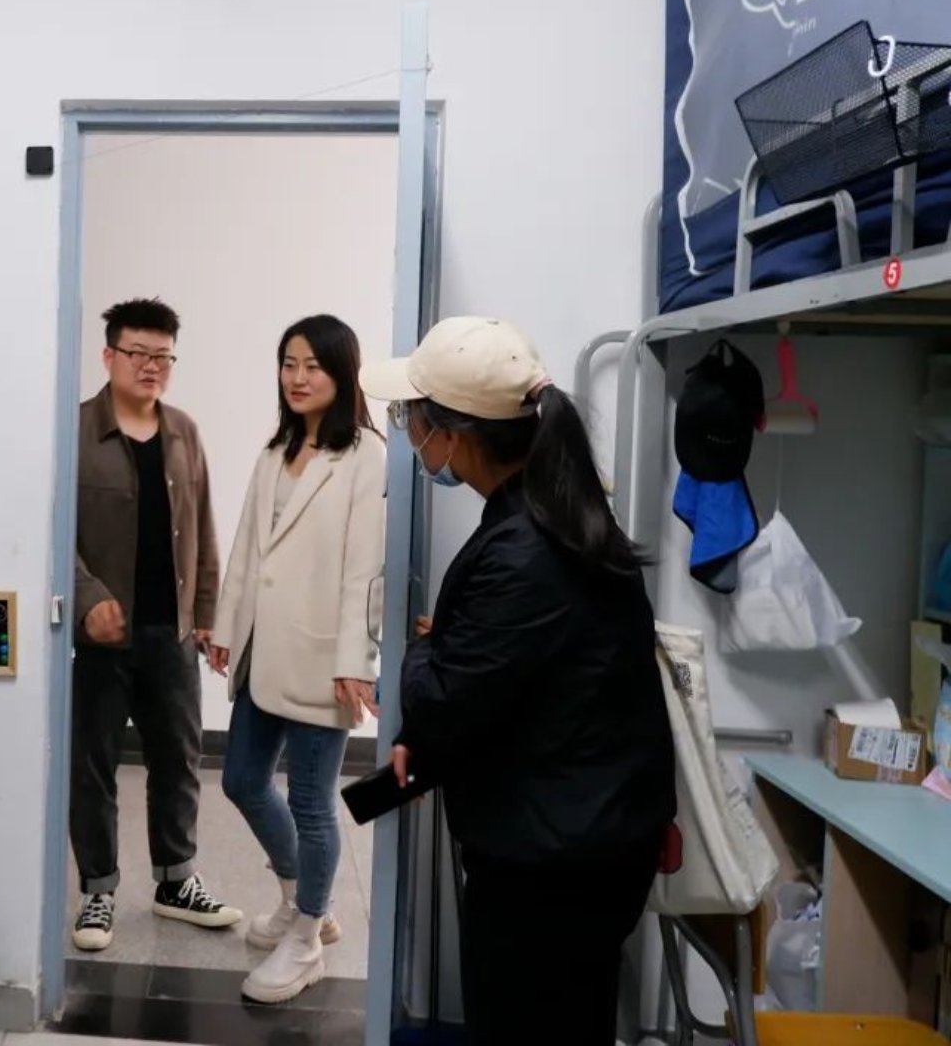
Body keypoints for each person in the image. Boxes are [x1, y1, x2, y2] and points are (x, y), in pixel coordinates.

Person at [360, 316, 675, 1046]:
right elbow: (520, 682)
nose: (410, 434)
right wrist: (453, 655)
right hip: (591, 837)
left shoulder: (523, 551)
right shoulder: (560, 514)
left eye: (411, 417)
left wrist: (425, 651)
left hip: (553, 863)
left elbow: (443, 706)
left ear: (455, 436)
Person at [208, 314, 385, 1005]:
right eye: (289, 363)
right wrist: (228, 625)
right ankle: (300, 896)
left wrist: (356, 659)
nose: (298, 377)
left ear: (342, 372)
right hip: (263, 649)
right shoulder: (275, 448)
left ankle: (308, 937)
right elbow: (249, 547)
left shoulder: (365, 455)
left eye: (313, 365)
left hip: (322, 656)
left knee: (312, 801)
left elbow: (364, 571)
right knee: (242, 780)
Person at [71, 297, 241, 951]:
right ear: (109, 355)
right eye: (138, 354)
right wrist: (88, 598)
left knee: (178, 758)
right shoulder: (76, 431)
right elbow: (55, 530)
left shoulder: (183, 432)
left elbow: (204, 530)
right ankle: (98, 891)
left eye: (163, 357)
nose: (151, 367)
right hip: (101, 636)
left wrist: (208, 617)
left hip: (171, 633)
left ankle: (176, 881)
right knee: (94, 764)